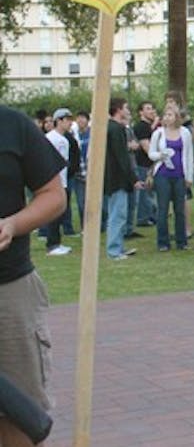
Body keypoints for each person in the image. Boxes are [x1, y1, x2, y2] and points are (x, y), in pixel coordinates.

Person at [0, 106, 67, 447]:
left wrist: (12, 224)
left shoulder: (12, 125)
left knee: (19, 415)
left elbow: (54, 196)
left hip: (8, 293)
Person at [147, 104, 194, 252]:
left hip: (179, 175)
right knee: (163, 208)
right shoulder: (158, 133)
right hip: (163, 175)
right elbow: (151, 153)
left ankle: (182, 241)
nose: (167, 117)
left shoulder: (185, 132)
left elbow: (188, 155)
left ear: (176, 117)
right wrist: (161, 155)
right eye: (165, 115)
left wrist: (189, 176)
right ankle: (163, 242)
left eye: (170, 115)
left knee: (179, 208)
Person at [105, 98, 140, 260]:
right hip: (117, 179)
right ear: (118, 110)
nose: (128, 110)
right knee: (117, 215)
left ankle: (118, 247)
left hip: (114, 177)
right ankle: (114, 250)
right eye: (126, 107)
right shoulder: (117, 129)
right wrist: (133, 179)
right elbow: (122, 157)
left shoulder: (111, 128)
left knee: (118, 213)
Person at [41, 109, 72, 256]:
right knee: (55, 213)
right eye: (66, 119)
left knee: (60, 213)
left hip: (62, 179)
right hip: (57, 181)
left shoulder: (62, 139)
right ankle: (52, 244)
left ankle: (56, 242)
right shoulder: (54, 138)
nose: (69, 122)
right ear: (58, 121)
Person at [132, 100, 158, 228]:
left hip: (149, 164)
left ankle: (150, 216)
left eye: (152, 108)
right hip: (143, 163)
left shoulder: (149, 127)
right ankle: (143, 218)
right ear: (141, 112)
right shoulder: (141, 126)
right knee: (144, 191)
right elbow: (146, 147)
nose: (152, 111)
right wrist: (157, 158)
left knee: (150, 191)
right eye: (148, 108)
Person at [72, 111, 90, 229]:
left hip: (92, 171)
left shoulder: (93, 133)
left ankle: (101, 224)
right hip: (79, 173)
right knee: (81, 202)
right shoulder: (73, 135)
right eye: (78, 118)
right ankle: (85, 226)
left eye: (82, 118)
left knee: (98, 202)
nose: (80, 121)